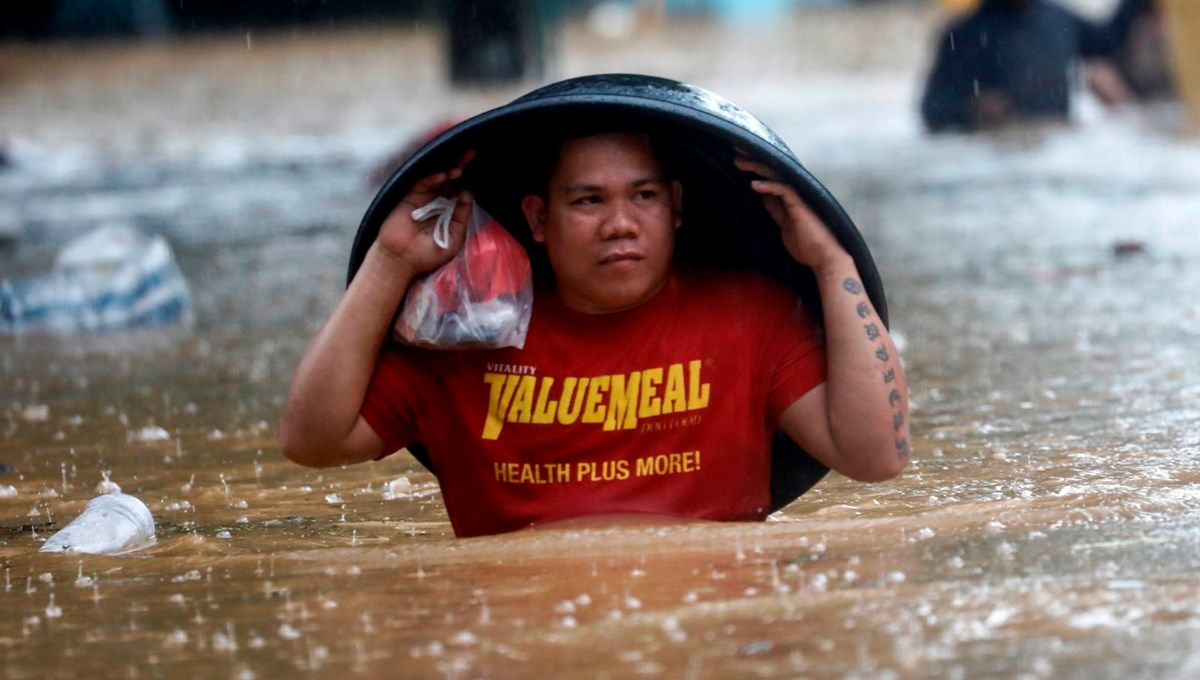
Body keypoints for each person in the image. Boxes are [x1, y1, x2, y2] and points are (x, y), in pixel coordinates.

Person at [279, 129, 910, 538]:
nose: (620, 224)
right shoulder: (463, 336)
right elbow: (313, 440)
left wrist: (833, 264)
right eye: (588, 202)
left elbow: (875, 457)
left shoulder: (752, 316)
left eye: (643, 197)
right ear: (537, 218)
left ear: (677, 208)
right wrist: (389, 261)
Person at [920, 0, 1151, 132]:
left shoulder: (1058, 19)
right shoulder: (964, 34)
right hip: (994, 150)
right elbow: (931, 109)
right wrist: (971, 108)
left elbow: (1110, 42)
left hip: (1057, 140)